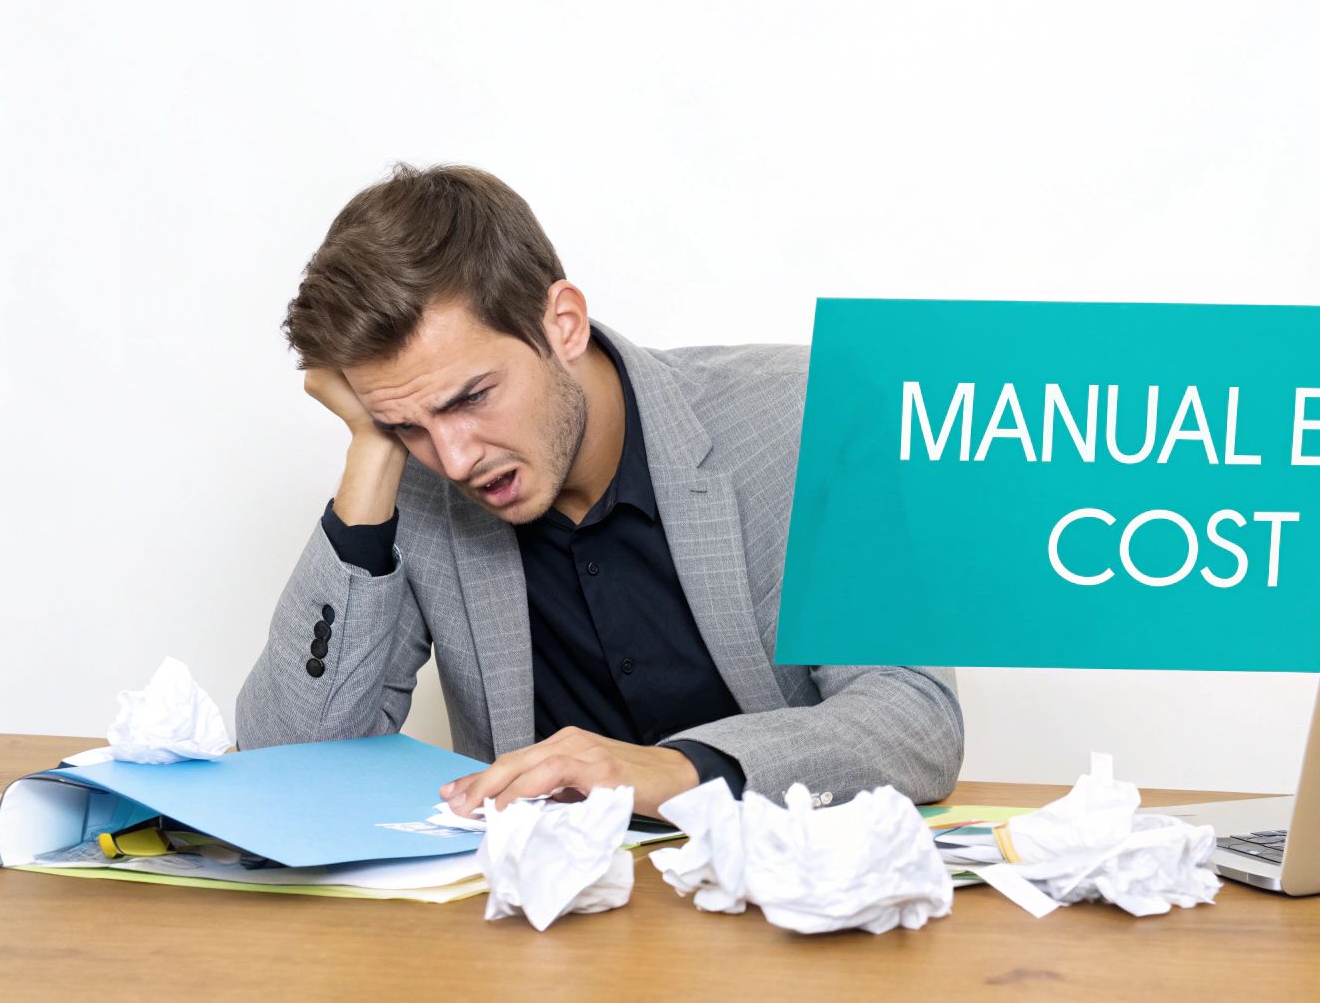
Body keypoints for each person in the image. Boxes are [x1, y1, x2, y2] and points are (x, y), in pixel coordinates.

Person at [235, 163, 963, 819]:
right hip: (543, 934)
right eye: (407, 423)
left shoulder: (804, 419)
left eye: (470, 397)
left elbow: (912, 718)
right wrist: (372, 449)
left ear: (563, 324)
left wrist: (670, 771)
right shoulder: (416, 477)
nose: (453, 459)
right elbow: (285, 770)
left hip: (785, 919)